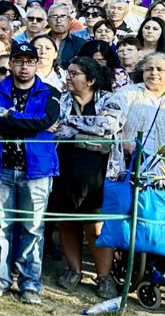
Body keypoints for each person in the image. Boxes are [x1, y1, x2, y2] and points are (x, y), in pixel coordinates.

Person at [0, 41, 61, 304]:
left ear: (37, 64)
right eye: (19, 61)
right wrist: (24, 123)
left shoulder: (50, 92)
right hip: (0, 167)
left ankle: (30, 283)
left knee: (33, 227)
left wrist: (4, 115)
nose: (24, 66)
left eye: (29, 61)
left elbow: (45, 121)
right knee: (0, 226)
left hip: (36, 169)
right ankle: (0, 278)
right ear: (11, 63)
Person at [50, 57, 124, 298]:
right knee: (67, 221)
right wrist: (84, 126)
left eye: (74, 74)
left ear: (90, 80)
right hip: (65, 167)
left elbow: (108, 126)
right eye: (68, 73)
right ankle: (74, 270)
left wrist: (72, 124)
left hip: (99, 170)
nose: (68, 78)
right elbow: (55, 128)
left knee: (95, 225)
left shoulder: (109, 99)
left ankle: (104, 276)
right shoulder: (60, 99)